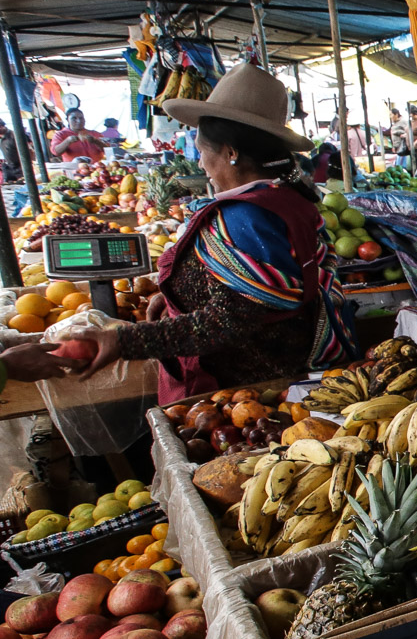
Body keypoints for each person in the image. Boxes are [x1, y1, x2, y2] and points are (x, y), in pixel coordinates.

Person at [65, 64, 358, 398]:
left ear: (231, 153)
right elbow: (258, 288)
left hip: (253, 390)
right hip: (295, 365)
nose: (201, 163)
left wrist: (123, 341)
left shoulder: (242, 218)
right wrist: (183, 293)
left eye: (203, 151)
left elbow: (228, 321)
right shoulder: (290, 197)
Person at [0, 117, 30, 184]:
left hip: (19, 166)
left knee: (23, 183)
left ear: (1, 125)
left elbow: (29, 150)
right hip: (7, 166)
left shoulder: (15, 135)